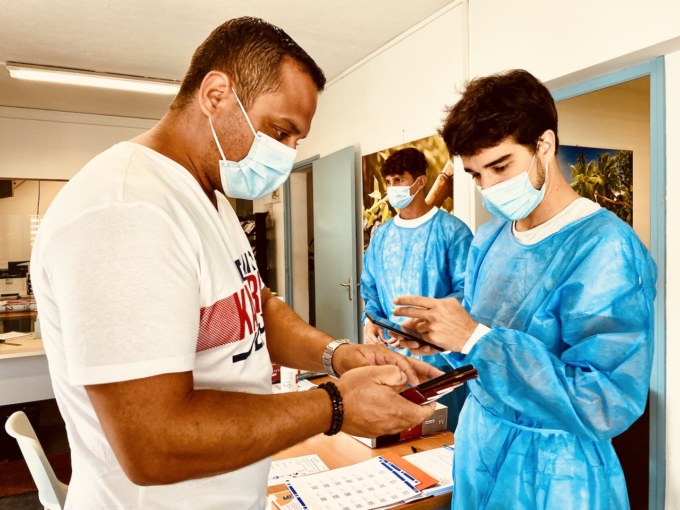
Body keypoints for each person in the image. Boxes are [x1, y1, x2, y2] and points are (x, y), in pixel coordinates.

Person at [29, 17, 441, 509]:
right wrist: (334, 405)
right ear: (216, 94)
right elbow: (154, 443)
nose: (288, 156)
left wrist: (340, 355)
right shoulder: (124, 209)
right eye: (279, 131)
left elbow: (253, 305)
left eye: (296, 141)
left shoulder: (210, 199)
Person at [392, 69, 657, 509]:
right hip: (479, 452)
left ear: (544, 146)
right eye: (476, 174)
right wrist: (436, 347)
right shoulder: (489, 239)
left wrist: (477, 339)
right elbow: (483, 356)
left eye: (501, 166)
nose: (489, 186)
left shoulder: (607, 249)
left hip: (557, 473)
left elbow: (606, 400)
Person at [361, 147, 473, 429]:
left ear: (420, 182)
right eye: (388, 182)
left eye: (398, 180)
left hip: (441, 359)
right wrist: (370, 321)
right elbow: (370, 288)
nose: (392, 188)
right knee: (396, 435)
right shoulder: (382, 236)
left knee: (442, 436)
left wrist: (426, 319)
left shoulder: (452, 232)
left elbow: (469, 291)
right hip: (392, 356)